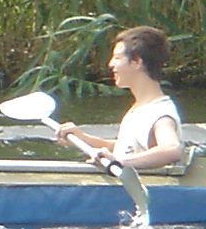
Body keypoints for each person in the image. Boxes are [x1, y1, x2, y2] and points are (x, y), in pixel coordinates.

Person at [57, 26, 187, 172]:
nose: (110, 64)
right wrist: (83, 138)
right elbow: (124, 149)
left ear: (136, 62)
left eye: (117, 58)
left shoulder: (160, 113)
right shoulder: (142, 107)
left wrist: (119, 161)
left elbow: (171, 149)